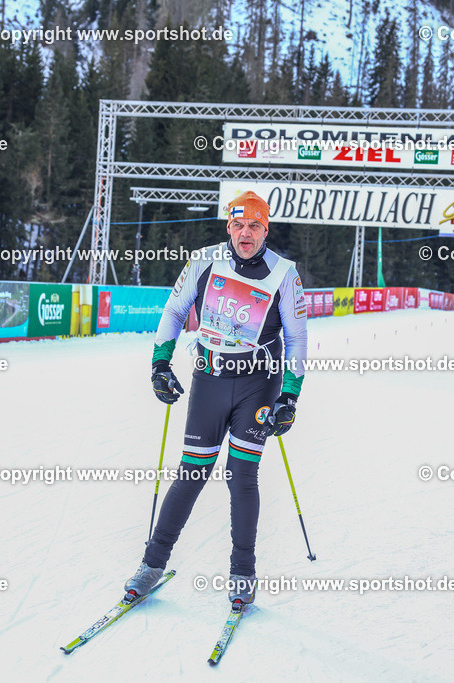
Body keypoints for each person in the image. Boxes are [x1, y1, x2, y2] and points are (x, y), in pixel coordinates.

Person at [124, 190, 308, 608]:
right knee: (192, 473)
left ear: (266, 229)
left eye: (255, 226)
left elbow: (296, 337)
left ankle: (243, 573)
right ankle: (152, 564)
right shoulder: (205, 260)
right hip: (209, 377)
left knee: (241, 475)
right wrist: (160, 364)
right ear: (229, 227)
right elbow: (173, 311)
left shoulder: (284, 273)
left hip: (258, 382)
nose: (246, 234)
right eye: (239, 225)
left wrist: (290, 396)